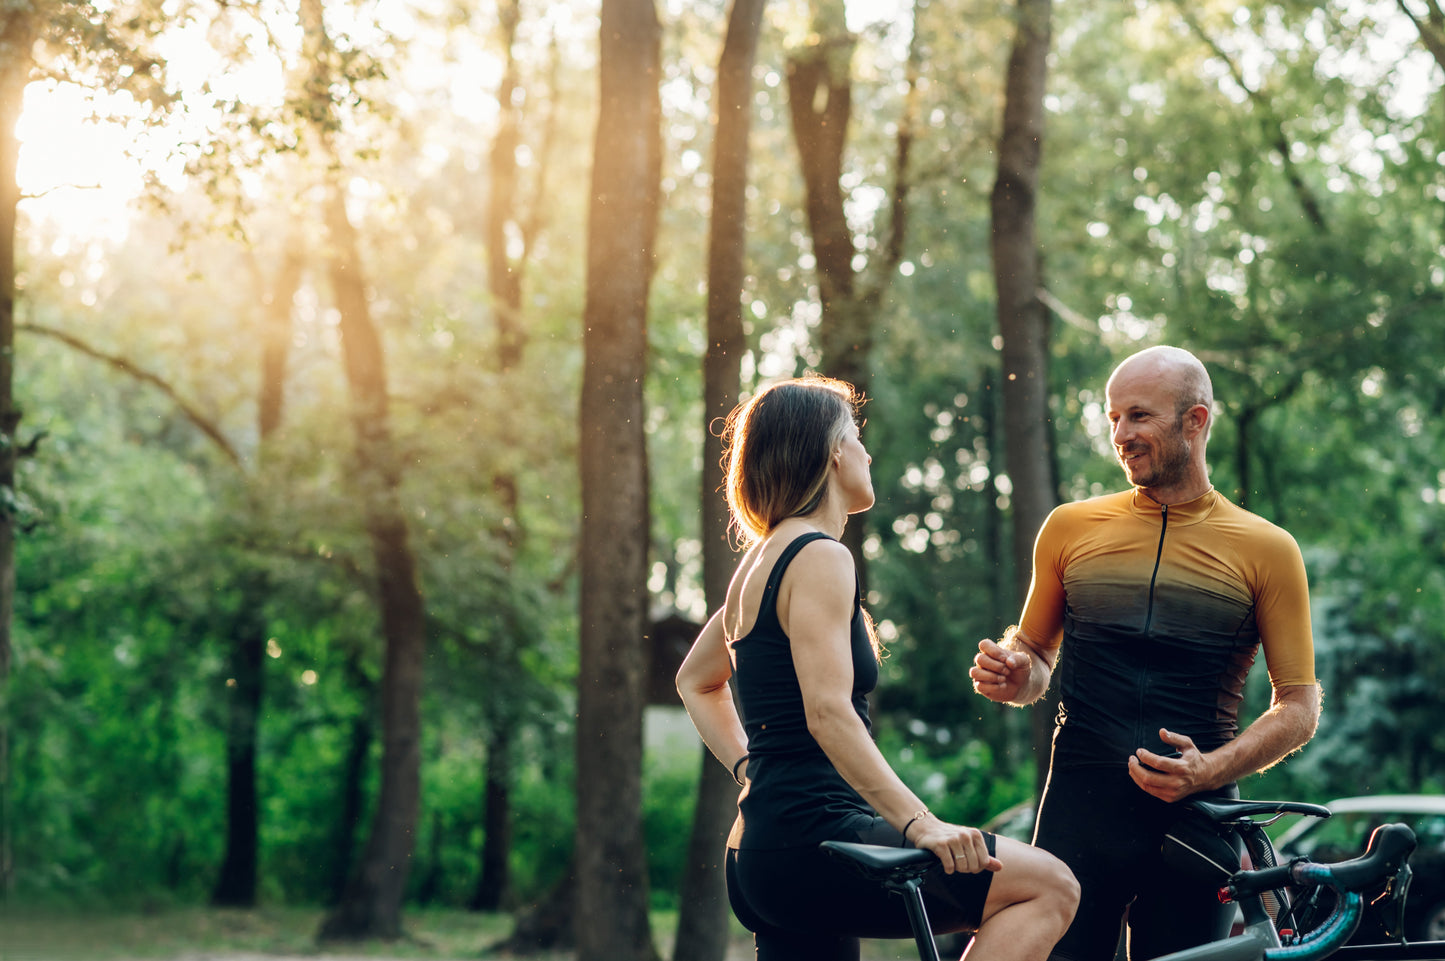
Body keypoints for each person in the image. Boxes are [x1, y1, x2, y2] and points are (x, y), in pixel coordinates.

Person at [677, 373, 1078, 961]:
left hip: (760, 852)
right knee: (1051, 887)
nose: (867, 453)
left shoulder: (761, 562)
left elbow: (695, 680)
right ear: (833, 452)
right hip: (815, 842)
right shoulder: (819, 555)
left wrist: (749, 767)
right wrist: (921, 824)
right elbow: (828, 712)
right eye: (856, 437)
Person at [969, 345, 1322, 961]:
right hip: (1079, 813)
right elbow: (1035, 656)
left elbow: (1299, 706)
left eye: (1139, 416)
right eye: (1113, 418)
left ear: (1195, 420)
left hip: (1197, 820)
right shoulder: (1069, 528)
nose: (1120, 435)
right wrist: (1015, 669)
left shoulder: (1267, 549)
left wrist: (1209, 771)